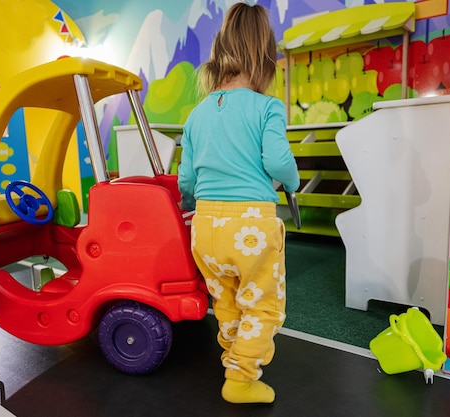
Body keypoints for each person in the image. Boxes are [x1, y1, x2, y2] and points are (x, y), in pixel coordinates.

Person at [178, 2, 300, 404]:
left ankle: (234, 356)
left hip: (206, 227)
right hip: (251, 225)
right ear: (266, 58)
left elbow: (188, 178)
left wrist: (192, 200)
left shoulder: (197, 114)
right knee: (264, 306)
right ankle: (242, 378)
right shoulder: (267, 107)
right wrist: (293, 181)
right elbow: (277, 161)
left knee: (227, 299)